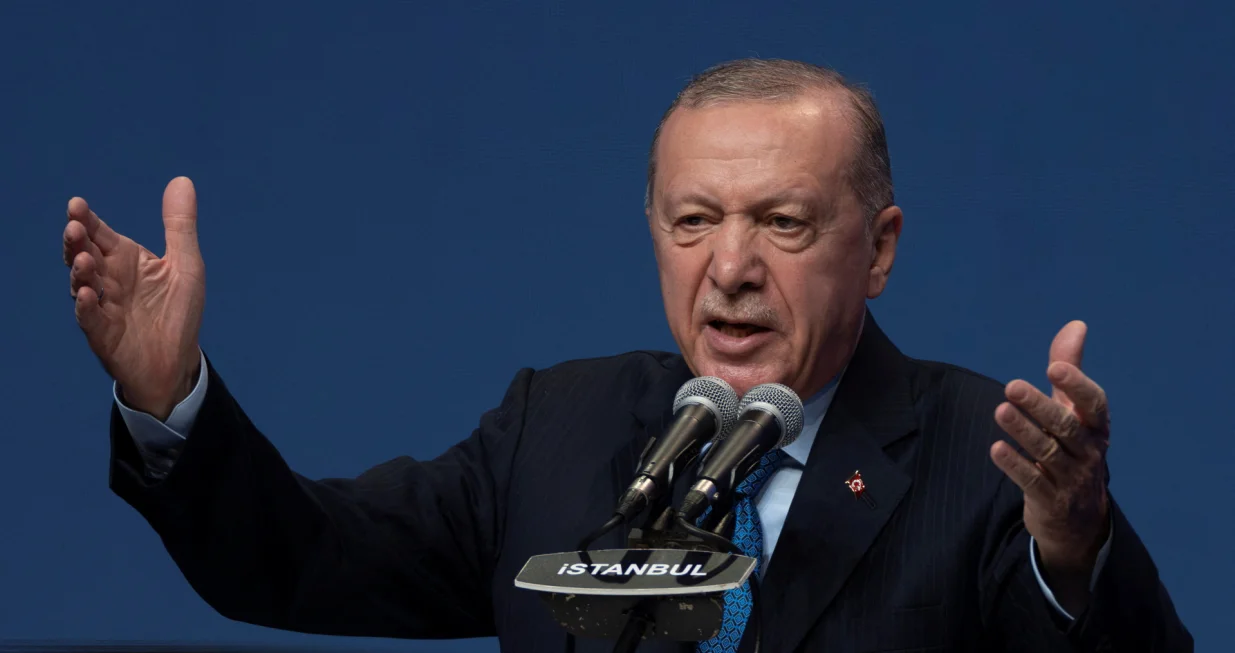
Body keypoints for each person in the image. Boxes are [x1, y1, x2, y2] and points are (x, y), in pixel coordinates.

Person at [63, 59, 1190, 652]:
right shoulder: (557, 428)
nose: (729, 267)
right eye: (692, 220)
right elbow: (298, 561)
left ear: (878, 248)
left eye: (781, 223)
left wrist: (1074, 549)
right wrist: (168, 396)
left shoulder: (984, 465)